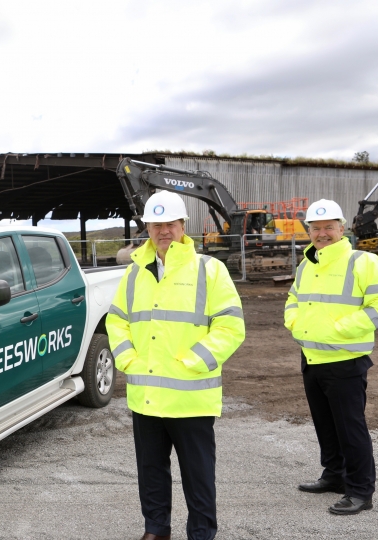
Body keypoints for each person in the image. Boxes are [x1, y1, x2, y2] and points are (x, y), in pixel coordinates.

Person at [107, 190, 245, 540]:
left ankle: (201, 533)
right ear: (148, 228)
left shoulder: (209, 270)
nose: (162, 231)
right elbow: (117, 320)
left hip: (190, 396)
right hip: (147, 394)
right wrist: (127, 359)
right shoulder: (135, 272)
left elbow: (230, 326)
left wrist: (194, 361)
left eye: (169, 223)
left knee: (198, 474)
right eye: (155, 225)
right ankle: (156, 529)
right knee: (151, 470)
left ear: (183, 225)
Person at [285, 199, 378, 515]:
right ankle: (334, 476)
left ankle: (361, 491)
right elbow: (293, 298)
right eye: (316, 228)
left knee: (350, 429)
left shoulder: (362, 261)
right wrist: (294, 322)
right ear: (309, 230)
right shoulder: (307, 264)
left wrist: (341, 329)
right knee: (326, 425)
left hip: (346, 360)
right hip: (311, 357)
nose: (322, 234)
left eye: (328, 227)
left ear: (342, 228)